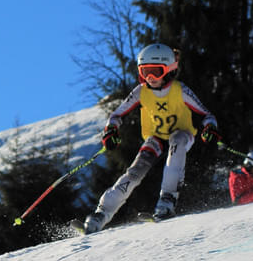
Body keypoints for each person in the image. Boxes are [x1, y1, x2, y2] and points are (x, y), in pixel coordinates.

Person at [83, 43, 220, 234]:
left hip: (183, 134)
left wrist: (210, 129)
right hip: (155, 137)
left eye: (156, 71)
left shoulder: (180, 90)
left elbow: (207, 115)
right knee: (135, 171)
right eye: (145, 72)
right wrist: (111, 130)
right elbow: (116, 115)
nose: (150, 78)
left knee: (177, 142)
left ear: (169, 70)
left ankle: (167, 201)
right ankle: (102, 213)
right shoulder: (141, 91)